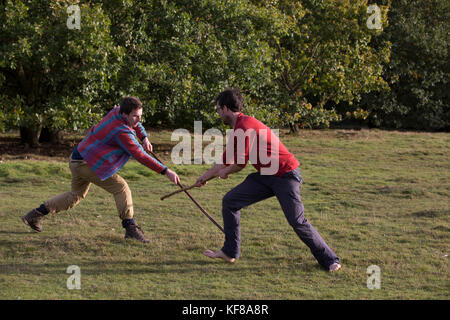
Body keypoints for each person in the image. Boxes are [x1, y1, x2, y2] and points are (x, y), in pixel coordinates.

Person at [195, 89, 341, 272]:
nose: (218, 113)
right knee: (230, 201)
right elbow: (225, 160)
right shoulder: (237, 129)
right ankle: (230, 252)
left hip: (286, 174)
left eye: (218, 109)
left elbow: (239, 164)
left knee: (297, 221)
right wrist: (204, 177)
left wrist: (225, 172)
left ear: (225, 108)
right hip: (266, 175)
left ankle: (330, 260)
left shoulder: (245, 125)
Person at [22, 96, 180, 243]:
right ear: (124, 114)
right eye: (135, 116)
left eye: (140, 115)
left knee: (75, 196)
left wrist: (144, 137)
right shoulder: (122, 132)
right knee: (121, 188)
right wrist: (166, 171)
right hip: (86, 163)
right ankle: (130, 228)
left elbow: (137, 126)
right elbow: (140, 156)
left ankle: (35, 215)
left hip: (78, 157)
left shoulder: (117, 111)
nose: (138, 120)